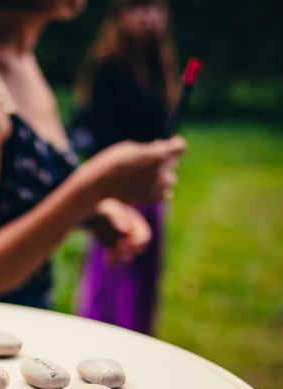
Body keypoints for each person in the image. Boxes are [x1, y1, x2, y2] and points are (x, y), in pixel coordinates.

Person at [0, 0, 185, 310]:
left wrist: (93, 211)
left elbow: (13, 201)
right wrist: (94, 185)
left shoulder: (18, 58)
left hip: (3, 333)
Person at [68, 0, 179, 334]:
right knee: (112, 277)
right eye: (138, 9)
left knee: (144, 275)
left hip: (149, 189)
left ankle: (138, 336)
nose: (147, 17)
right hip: (117, 188)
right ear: (120, 15)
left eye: (154, 9)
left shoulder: (159, 66)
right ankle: (101, 336)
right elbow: (95, 127)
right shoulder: (108, 65)